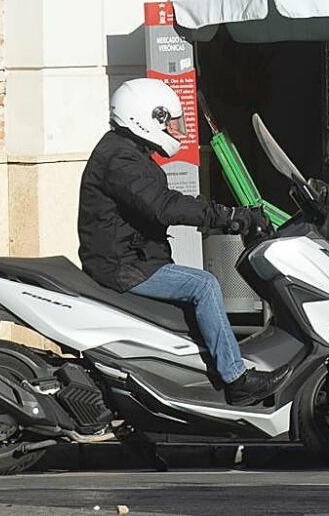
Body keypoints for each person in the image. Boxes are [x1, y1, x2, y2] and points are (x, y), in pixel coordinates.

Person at [77, 77, 289, 406]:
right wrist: (228, 215)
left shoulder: (126, 153)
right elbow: (163, 205)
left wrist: (224, 215)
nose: (174, 129)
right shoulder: (120, 160)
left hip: (134, 259)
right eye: (167, 121)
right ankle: (236, 378)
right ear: (142, 117)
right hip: (123, 266)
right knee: (203, 285)